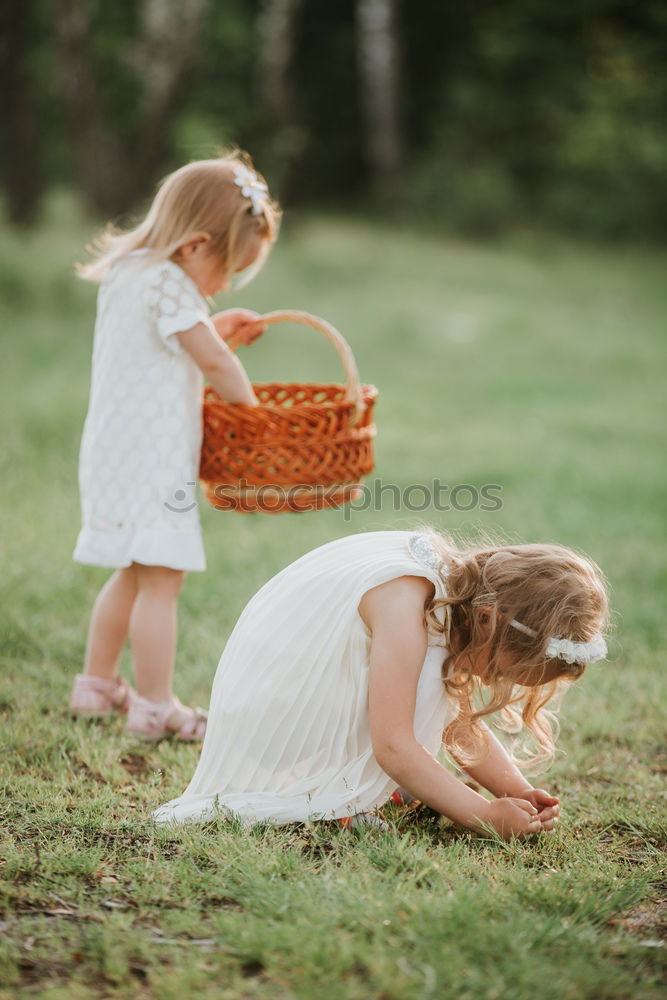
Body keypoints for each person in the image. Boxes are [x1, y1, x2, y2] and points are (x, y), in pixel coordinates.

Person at [153, 528, 609, 840]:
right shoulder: (407, 606)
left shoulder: (453, 592)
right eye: (503, 671)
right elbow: (392, 746)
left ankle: (373, 788)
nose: (493, 682)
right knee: (422, 687)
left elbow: (458, 718)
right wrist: (486, 816)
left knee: (433, 681)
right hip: (276, 715)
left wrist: (513, 790)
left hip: (300, 699)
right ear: (490, 620)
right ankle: (341, 797)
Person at [70, 153, 281, 740]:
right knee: (163, 581)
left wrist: (213, 321)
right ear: (194, 245)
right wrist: (252, 415)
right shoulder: (170, 283)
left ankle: (94, 684)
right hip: (155, 463)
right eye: (225, 272)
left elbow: (171, 345)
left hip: (114, 455)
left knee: (134, 573)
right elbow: (210, 359)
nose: (221, 287)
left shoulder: (133, 271)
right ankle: (157, 706)